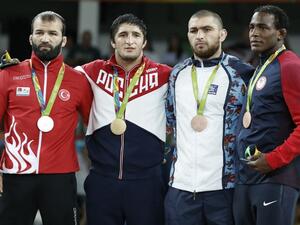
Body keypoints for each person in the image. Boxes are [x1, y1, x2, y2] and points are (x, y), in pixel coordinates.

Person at [76, 13, 171, 225]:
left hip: (147, 182)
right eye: (123, 35)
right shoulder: (90, 72)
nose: (130, 41)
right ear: (112, 41)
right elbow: (56, 77)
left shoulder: (166, 75)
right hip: (102, 180)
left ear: (144, 42)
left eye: (136, 35)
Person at [0, 11, 93, 225]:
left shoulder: (78, 80)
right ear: (30, 37)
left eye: (52, 33)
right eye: (39, 32)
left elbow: (92, 125)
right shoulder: (8, 74)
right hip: (16, 173)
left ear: (64, 39)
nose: (45, 38)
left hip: (60, 176)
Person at [165, 10, 254, 225]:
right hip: (180, 188)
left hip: (224, 188)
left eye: (207, 29)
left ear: (222, 34)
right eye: (193, 30)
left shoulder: (242, 74)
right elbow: (169, 121)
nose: (200, 35)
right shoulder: (176, 74)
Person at [233, 5, 300, 225]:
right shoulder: (259, 68)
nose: (254, 33)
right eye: (252, 27)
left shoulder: (290, 66)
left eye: (263, 27)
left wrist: (272, 160)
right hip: (246, 178)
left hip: (274, 178)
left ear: (280, 34)